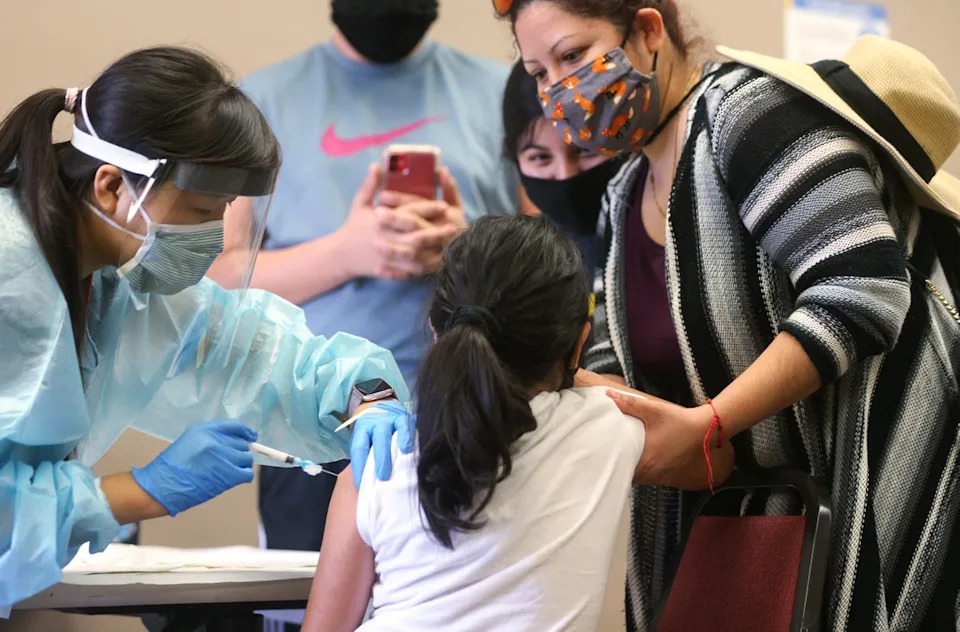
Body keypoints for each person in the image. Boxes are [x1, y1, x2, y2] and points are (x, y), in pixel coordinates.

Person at [501, 0, 960, 630]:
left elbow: (861, 286)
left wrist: (708, 424)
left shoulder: (751, 115)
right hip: (739, 532)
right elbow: (609, 357)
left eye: (573, 56)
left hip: (861, 501)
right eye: (538, 72)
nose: (557, 89)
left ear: (647, 31)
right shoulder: (623, 190)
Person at [0, 46, 413, 611]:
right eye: (198, 212)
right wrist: (146, 490)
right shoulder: (10, 274)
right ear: (112, 186)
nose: (214, 238)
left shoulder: (121, 285)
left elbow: (254, 356)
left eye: (223, 211)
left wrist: (367, 396)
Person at [207, 2, 517, 624]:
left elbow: (550, 260)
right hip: (313, 434)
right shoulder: (260, 103)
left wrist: (466, 248)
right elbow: (216, 280)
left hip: (476, 425)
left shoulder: (506, 91)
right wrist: (347, 253)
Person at [298, 215, 731, 632]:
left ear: (436, 331)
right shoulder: (603, 426)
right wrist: (581, 373)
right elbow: (713, 454)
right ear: (578, 340)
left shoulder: (379, 457)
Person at [502, 59, 627, 275]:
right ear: (513, 156)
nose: (565, 175)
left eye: (585, 149)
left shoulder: (663, 236)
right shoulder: (527, 269)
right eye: (540, 157)